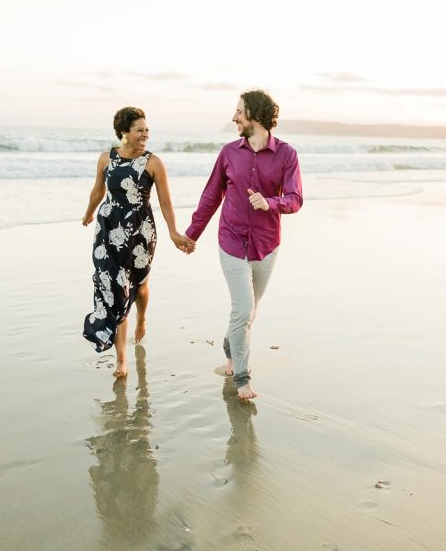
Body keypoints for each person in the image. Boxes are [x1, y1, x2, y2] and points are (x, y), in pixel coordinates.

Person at [185, 90, 303, 400]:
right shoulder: (228, 153)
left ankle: (229, 347)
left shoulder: (287, 155)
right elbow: (212, 195)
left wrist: (270, 202)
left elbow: (295, 199)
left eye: (239, 111)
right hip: (231, 240)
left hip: (266, 243)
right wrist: (192, 234)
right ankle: (242, 377)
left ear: (256, 115)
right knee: (244, 308)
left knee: (248, 312)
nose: (234, 117)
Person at [82, 107, 195, 377]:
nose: (145, 134)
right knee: (113, 287)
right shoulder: (105, 159)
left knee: (139, 285)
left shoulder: (153, 163)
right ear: (124, 132)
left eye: (147, 130)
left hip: (140, 231)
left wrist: (173, 232)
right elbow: (98, 190)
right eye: (139, 130)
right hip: (108, 229)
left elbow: (165, 202)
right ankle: (121, 360)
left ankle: (141, 318)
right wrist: (88, 213)